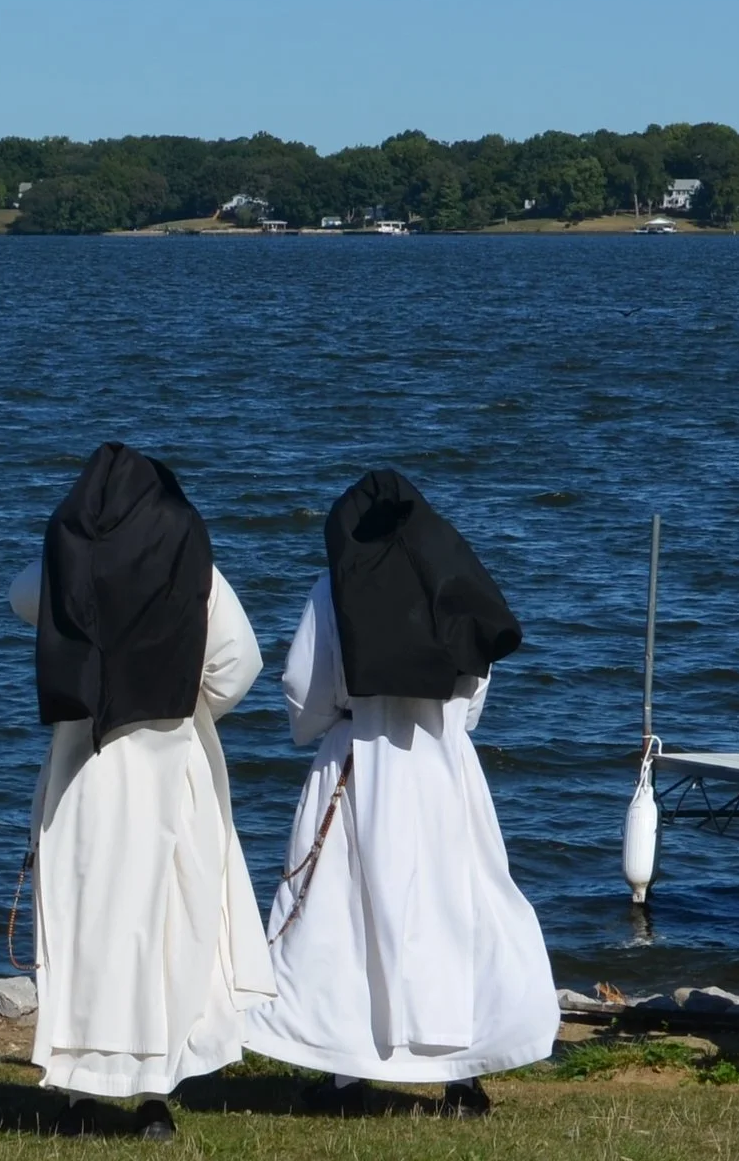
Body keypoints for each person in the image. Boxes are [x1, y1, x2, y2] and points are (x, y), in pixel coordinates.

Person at [245, 470, 557, 1115]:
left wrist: (325, 727)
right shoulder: (453, 589)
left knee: (342, 916)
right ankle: (462, 1076)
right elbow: (473, 694)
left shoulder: (332, 590)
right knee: (456, 908)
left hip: (357, 762)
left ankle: (345, 1076)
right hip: (444, 769)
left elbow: (305, 688)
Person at [5, 443, 273, 1141]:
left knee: (87, 927)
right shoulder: (193, 564)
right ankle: (155, 1096)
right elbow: (239, 663)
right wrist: (193, 702)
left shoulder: (63, 560)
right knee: (167, 926)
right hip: (169, 765)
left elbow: (19, 597)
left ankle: (78, 1097)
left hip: (83, 775)